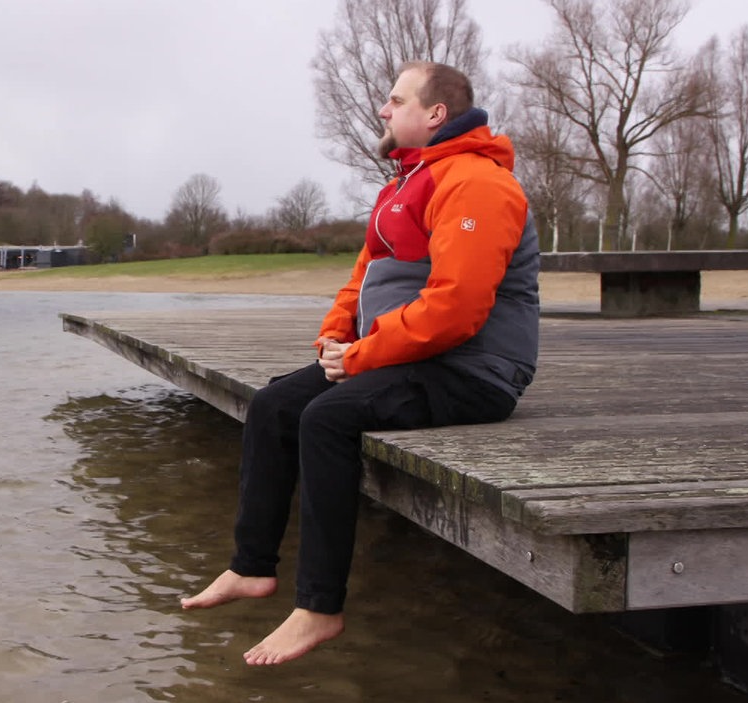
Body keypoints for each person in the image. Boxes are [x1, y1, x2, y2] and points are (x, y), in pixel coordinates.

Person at [180, 61, 540, 666]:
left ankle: (319, 607)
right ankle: (251, 567)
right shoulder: (407, 183)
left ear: (435, 114)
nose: (382, 109)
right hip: (407, 357)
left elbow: (457, 310)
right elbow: (364, 277)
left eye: (395, 100)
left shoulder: (478, 184)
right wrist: (332, 338)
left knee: (326, 419)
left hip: (474, 371)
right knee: (273, 405)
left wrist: (363, 355)